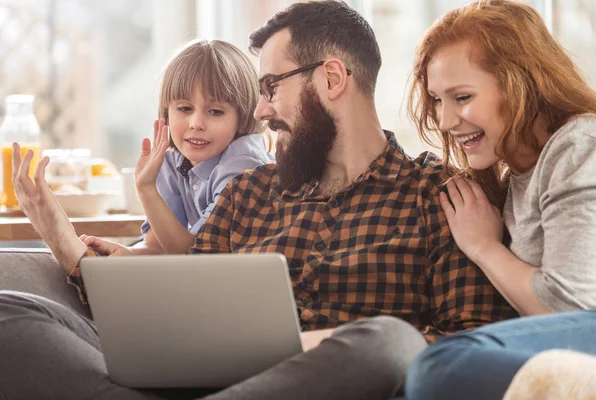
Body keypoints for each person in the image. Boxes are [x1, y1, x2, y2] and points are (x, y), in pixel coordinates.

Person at [4, 1, 514, 399]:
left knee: (390, 343)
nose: (262, 108)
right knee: (14, 310)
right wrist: (56, 231)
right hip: (201, 376)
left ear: (332, 79)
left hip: (340, 379)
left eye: (270, 86)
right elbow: (165, 307)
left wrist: (302, 350)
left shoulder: (439, 196)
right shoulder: (250, 194)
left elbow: (468, 349)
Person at [403, 1, 596, 399]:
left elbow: (571, 307)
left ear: (520, 83)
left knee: (442, 363)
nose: (443, 121)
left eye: (461, 97)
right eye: (438, 100)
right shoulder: (512, 176)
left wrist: (483, 246)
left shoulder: (580, 145)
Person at [88, 39, 273, 255]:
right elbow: (157, 245)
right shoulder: (172, 160)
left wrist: (146, 189)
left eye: (215, 112)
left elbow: (192, 255)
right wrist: (126, 255)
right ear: (167, 112)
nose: (196, 123)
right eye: (185, 108)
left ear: (242, 117)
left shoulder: (244, 166)